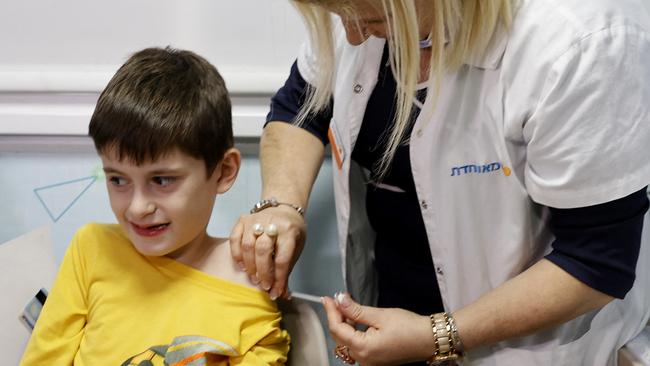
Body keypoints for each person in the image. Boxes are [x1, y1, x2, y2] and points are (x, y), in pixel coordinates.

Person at [229, 0, 650, 365]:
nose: (354, 39)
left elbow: (595, 261)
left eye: (374, 21)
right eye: (342, 17)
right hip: (392, 318)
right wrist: (282, 204)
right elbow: (301, 103)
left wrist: (437, 336)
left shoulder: (581, 42)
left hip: (527, 345)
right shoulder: (362, 23)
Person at [20, 47, 290, 366]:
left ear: (223, 171)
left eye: (161, 180)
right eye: (118, 180)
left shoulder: (251, 285)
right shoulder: (91, 249)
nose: (137, 208)